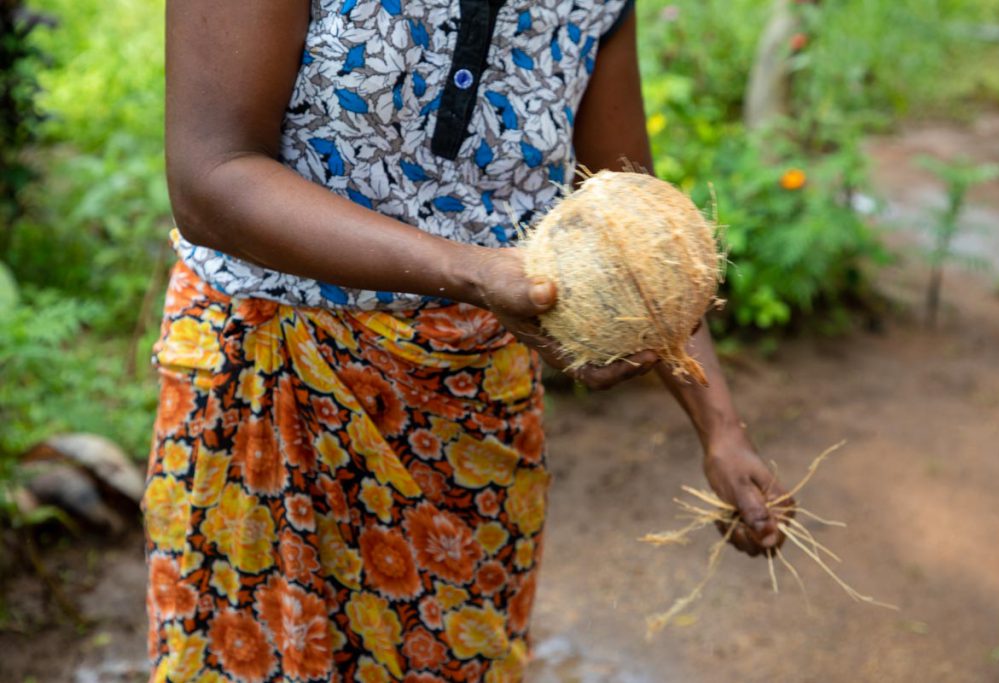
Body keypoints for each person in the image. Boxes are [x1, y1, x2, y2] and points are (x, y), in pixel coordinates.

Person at [144, 0, 789, 681]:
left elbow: (635, 228)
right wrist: (471, 273)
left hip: (469, 414)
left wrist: (721, 429)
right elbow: (210, 178)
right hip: (266, 380)